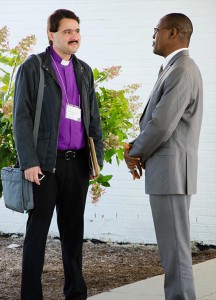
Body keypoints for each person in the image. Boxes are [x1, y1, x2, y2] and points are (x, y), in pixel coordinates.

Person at [13, 9, 104, 300]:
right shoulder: (34, 67)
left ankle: (76, 293)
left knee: (74, 233)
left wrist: (95, 159)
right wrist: (29, 161)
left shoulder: (84, 70)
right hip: (45, 167)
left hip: (77, 164)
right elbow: (22, 117)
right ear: (51, 35)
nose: (74, 36)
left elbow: (94, 120)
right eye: (67, 31)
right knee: (37, 233)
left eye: (77, 30)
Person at [124, 13, 203, 300]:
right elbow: (161, 122)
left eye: (156, 30)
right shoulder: (174, 68)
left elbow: (162, 123)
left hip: (172, 175)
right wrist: (137, 146)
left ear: (172, 33)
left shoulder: (182, 69)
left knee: (175, 251)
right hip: (169, 172)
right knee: (173, 249)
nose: (153, 36)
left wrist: (134, 152)